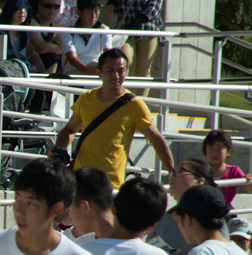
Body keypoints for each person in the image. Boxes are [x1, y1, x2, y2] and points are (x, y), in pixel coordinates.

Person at [54, 48, 174, 188]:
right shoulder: (86, 98)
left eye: (120, 71)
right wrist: (59, 150)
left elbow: (156, 139)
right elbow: (69, 129)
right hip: (80, 180)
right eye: (110, 70)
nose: (116, 76)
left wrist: (173, 172)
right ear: (99, 72)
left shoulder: (135, 105)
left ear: (127, 72)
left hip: (111, 185)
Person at [115, 0, 164, 96]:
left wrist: (138, 20)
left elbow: (154, 9)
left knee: (143, 70)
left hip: (147, 33)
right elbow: (118, 3)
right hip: (126, 33)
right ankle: (120, 98)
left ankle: (141, 103)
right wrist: (112, 3)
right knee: (123, 63)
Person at [58, 0, 118, 74]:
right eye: (89, 12)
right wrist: (87, 70)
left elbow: (108, 53)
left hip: (96, 69)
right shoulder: (68, 32)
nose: (93, 16)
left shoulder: (104, 30)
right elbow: (71, 57)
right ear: (79, 13)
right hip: (73, 70)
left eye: (96, 11)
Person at [203, 130, 252, 207]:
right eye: (210, 149)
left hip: (225, 209)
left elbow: (250, 188)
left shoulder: (233, 171)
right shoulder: (201, 170)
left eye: (219, 150)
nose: (214, 153)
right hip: (205, 208)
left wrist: (248, 179)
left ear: (228, 151)